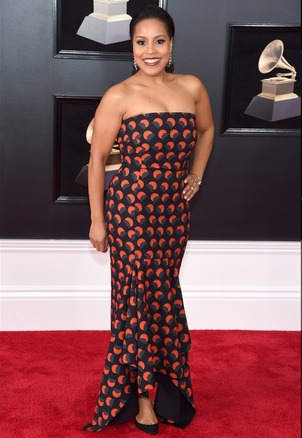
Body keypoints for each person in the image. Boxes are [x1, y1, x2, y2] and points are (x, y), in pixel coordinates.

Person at [82, 4, 214, 435]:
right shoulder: (119, 96)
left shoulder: (192, 87)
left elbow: (208, 131)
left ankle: (168, 389)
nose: (150, 50)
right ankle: (141, 400)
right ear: (132, 47)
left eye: (159, 41)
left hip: (173, 215)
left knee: (164, 300)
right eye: (142, 42)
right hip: (130, 212)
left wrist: (195, 174)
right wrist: (98, 221)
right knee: (135, 302)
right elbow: (98, 161)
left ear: (171, 44)